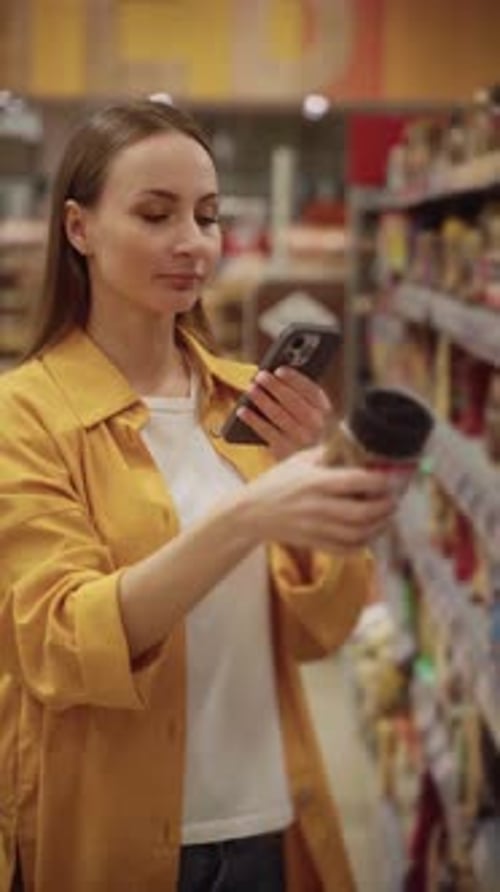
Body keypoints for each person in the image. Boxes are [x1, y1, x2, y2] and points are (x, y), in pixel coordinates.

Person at [0, 98, 396, 892]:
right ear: (79, 229)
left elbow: (318, 632)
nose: (193, 243)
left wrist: (326, 506)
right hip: (107, 835)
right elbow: (60, 642)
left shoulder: (248, 400)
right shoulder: (24, 415)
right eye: (156, 214)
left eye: (207, 216)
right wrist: (248, 515)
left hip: (267, 824)